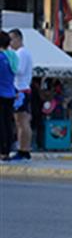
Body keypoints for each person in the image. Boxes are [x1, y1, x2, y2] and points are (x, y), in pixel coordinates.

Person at [8, 29, 34, 161]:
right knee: (21, 121)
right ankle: (24, 149)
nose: (10, 43)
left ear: (18, 39)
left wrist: (9, 65)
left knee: (21, 121)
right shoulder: (22, 53)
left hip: (21, 90)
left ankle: (23, 149)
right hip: (22, 89)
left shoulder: (21, 53)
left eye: (11, 39)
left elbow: (19, 70)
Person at [0, 31, 17, 161]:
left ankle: (2, 150)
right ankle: (6, 151)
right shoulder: (12, 57)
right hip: (10, 93)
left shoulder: (1, 57)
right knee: (7, 123)